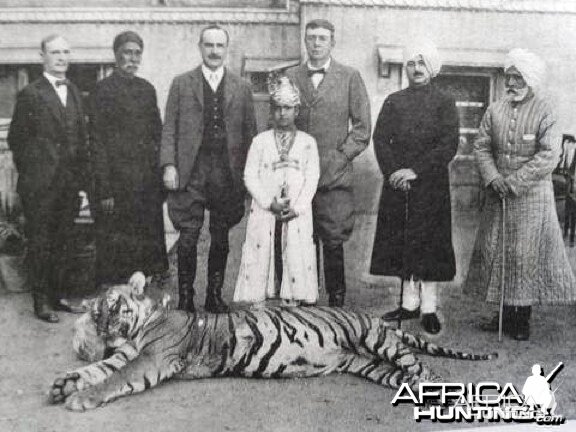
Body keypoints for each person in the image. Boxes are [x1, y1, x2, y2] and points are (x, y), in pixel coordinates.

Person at [472, 48, 576, 340]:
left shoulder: (546, 110)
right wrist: (493, 177)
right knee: (501, 252)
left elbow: (549, 155)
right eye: (509, 77)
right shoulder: (495, 109)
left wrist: (514, 181)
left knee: (524, 255)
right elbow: (481, 146)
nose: (512, 83)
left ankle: (522, 318)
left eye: (518, 77)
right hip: (498, 194)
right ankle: (504, 313)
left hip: (531, 197)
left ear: (531, 79)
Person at [160, 24, 257, 313]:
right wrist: (168, 165)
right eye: (209, 45)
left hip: (227, 172)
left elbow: (250, 133)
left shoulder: (242, 87)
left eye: (219, 46)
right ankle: (186, 297)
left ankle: (214, 295)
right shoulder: (182, 83)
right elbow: (169, 128)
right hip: (192, 170)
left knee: (221, 234)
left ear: (226, 49)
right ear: (200, 47)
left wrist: (249, 175)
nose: (214, 51)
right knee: (188, 235)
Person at [370, 40, 459, 335]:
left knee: (429, 246)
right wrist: (395, 172)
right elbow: (381, 139)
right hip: (399, 186)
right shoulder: (394, 101)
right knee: (403, 242)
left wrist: (415, 171)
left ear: (431, 68)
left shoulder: (445, 102)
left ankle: (429, 308)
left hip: (430, 185)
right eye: (411, 63)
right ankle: (409, 305)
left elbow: (448, 144)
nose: (417, 69)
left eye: (422, 63)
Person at [286, 19, 371, 307]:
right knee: (301, 238)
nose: (316, 43)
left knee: (332, 238)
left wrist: (340, 156)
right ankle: (305, 300)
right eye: (311, 38)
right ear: (305, 42)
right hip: (297, 174)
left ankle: (336, 304)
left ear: (332, 43)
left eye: (323, 38)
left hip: (334, 175)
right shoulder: (291, 76)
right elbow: (280, 122)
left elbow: (362, 128)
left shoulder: (350, 77)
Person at [7, 34, 89, 322]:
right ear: (42, 55)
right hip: (40, 187)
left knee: (64, 240)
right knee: (41, 242)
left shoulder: (75, 91)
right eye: (55, 52)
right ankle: (41, 302)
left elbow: (80, 138)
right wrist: (35, 175)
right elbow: (17, 140)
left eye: (66, 52)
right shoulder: (31, 93)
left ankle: (57, 295)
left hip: (69, 185)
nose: (61, 57)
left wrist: (80, 180)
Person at [90, 31, 168, 287]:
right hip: (117, 186)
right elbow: (97, 143)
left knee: (146, 253)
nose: (132, 58)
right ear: (116, 55)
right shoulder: (101, 91)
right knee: (118, 252)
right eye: (127, 52)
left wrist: (159, 179)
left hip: (145, 185)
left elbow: (158, 135)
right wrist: (104, 189)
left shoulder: (147, 90)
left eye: (137, 53)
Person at [234, 76, 320, 307]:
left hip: (295, 213)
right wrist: (267, 202)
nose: (282, 113)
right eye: (277, 108)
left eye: (288, 108)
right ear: (271, 111)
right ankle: (260, 300)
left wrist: (298, 208)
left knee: (293, 250)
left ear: (297, 110)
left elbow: (312, 179)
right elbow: (249, 176)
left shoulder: (308, 143)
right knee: (264, 250)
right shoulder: (259, 142)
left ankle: (292, 298)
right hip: (266, 210)